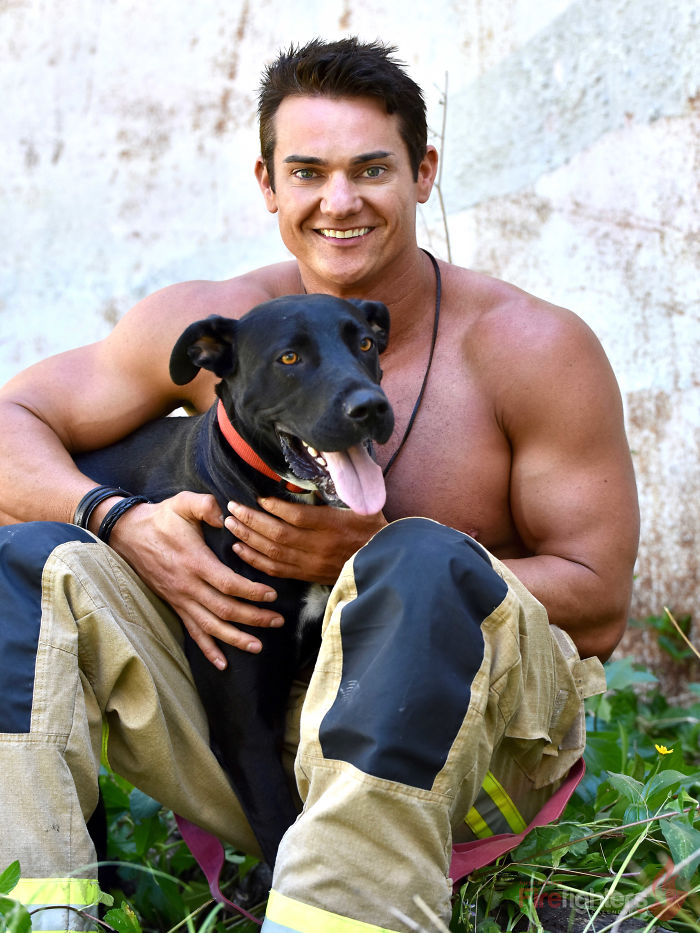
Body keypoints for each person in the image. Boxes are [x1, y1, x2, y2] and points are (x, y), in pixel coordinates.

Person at [0, 37, 638, 933]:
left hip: (469, 760)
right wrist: (121, 519)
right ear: (269, 184)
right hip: (254, 751)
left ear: (424, 173)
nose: (339, 202)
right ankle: (42, 914)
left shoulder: (528, 350)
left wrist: (374, 553)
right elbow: (9, 426)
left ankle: (333, 918)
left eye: (372, 168)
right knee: (27, 556)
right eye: (308, 172)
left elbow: (603, 604)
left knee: (417, 561)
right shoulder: (218, 326)